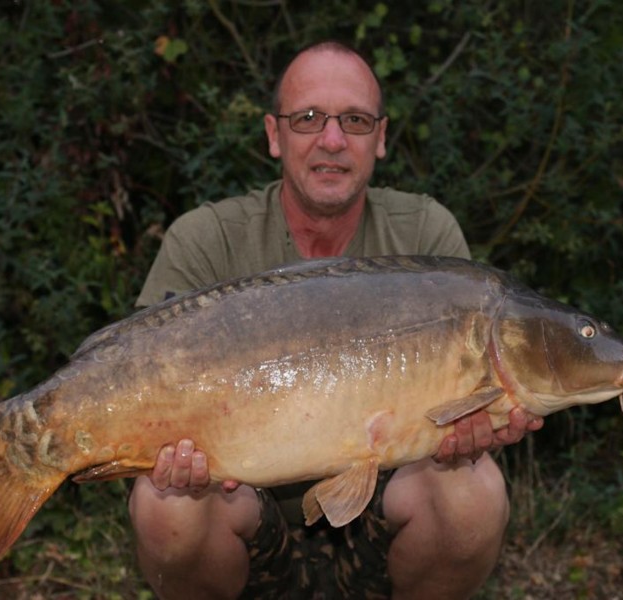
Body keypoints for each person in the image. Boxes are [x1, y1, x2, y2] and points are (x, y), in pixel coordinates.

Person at [128, 40, 543, 599]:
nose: (332, 140)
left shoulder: (425, 237)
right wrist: (162, 456)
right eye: (307, 119)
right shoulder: (207, 241)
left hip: (386, 517)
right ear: (274, 135)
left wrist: (472, 433)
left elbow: (461, 414)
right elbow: (132, 379)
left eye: (354, 119)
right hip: (244, 517)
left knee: (474, 493)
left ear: (381, 136)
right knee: (163, 505)